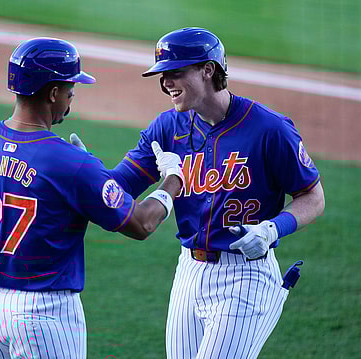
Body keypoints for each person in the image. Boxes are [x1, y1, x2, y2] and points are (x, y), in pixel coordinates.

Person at [86, 27, 325, 358]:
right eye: (162, 75)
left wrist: (273, 229)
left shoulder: (269, 129)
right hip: (189, 270)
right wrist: (85, 173)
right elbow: (120, 186)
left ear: (208, 69)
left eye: (175, 73)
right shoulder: (167, 127)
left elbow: (313, 196)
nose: (166, 83)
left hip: (246, 274)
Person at [0, 37, 184, 359]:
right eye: (70, 90)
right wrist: (172, 180)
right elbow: (141, 224)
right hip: (44, 314)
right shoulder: (71, 162)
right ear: (53, 92)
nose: (71, 98)